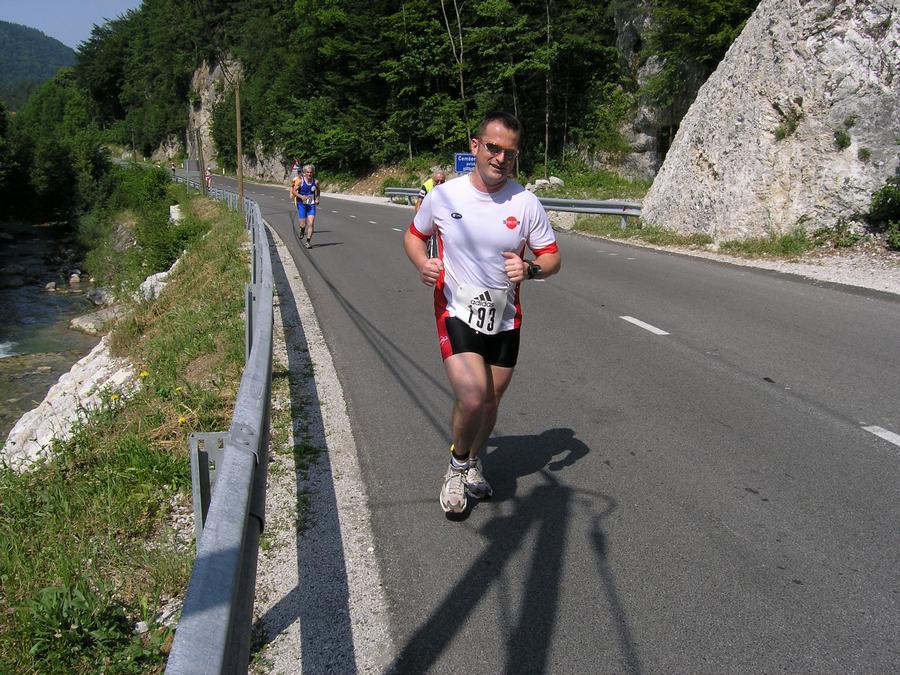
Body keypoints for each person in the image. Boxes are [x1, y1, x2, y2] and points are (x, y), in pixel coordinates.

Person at [403, 111, 561, 515]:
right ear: (475, 146)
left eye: (510, 152)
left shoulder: (525, 203)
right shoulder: (444, 196)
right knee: (472, 395)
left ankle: (474, 460)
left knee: (490, 401)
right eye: (493, 147)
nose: (500, 158)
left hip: (504, 316)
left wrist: (530, 269)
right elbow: (414, 236)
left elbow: (552, 257)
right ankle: (457, 466)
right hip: (456, 308)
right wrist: (423, 262)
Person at [291, 164, 320, 249]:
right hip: (301, 204)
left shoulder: (316, 182)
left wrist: (317, 198)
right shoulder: (301, 181)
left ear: (313, 172)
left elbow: (318, 191)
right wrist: (301, 196)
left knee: (311, 223)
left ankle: (308, 242)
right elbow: (293, 191)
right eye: (308, 172)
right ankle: (302, 229)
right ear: (304, 173)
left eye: (311, 172)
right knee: (303, 225)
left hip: (311, 204)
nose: (309, 174)